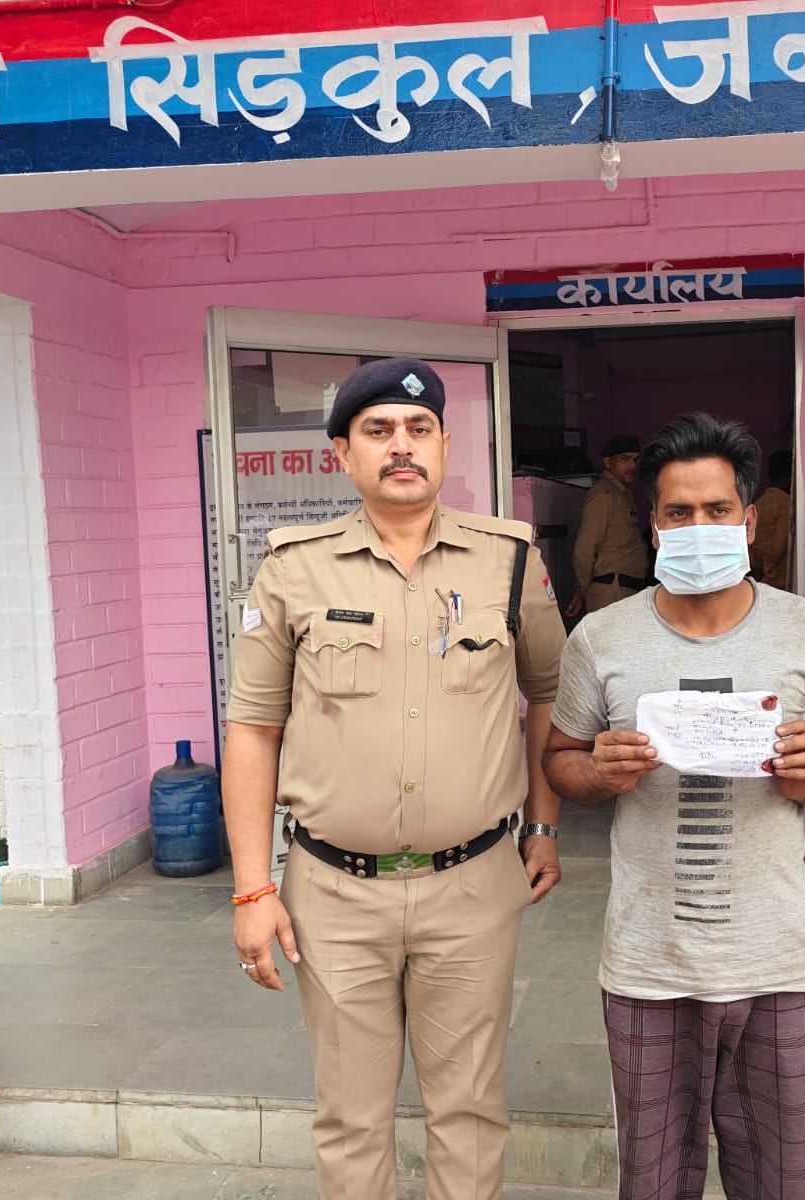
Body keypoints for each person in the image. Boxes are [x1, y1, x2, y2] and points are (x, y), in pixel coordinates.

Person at [222, 357, 568, 1200]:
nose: (401, 445)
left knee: (470, 1111)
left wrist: (543, 825)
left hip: (473, 885)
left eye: (419, 429)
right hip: (334, 894)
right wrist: (252, 889)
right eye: (378, 431)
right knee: (350, 1119)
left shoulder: (508, 559)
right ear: (343, 454)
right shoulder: (294, 567)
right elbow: (253, 729)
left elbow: (550, 694)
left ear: (445, 445)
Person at [543, 413, 805, 1200]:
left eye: (717, 510)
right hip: (648, 964)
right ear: (654, 526)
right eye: (679, 512)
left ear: (750, 521)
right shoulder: (601, 637)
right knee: (654, 1179)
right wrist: (599, 771)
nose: (699, 527)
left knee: (779, 1177)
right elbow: (559, 761)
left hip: (779, 961)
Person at [567, 433, 650, 617]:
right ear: (607, 462)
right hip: (611, 591)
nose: (632, 466)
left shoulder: (621, 495)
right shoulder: (604, 495)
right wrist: (582, 589)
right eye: (624, 459)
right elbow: (584, 549)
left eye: (636, 460)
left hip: (623, 590)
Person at [749, 447, 793, 590]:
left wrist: (757, 570)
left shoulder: (759, 503)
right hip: (776, 578)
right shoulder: (786, 503)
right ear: (789, 477)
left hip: (759, 576)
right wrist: (767, 569)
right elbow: (779, 546)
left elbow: (750, 543)